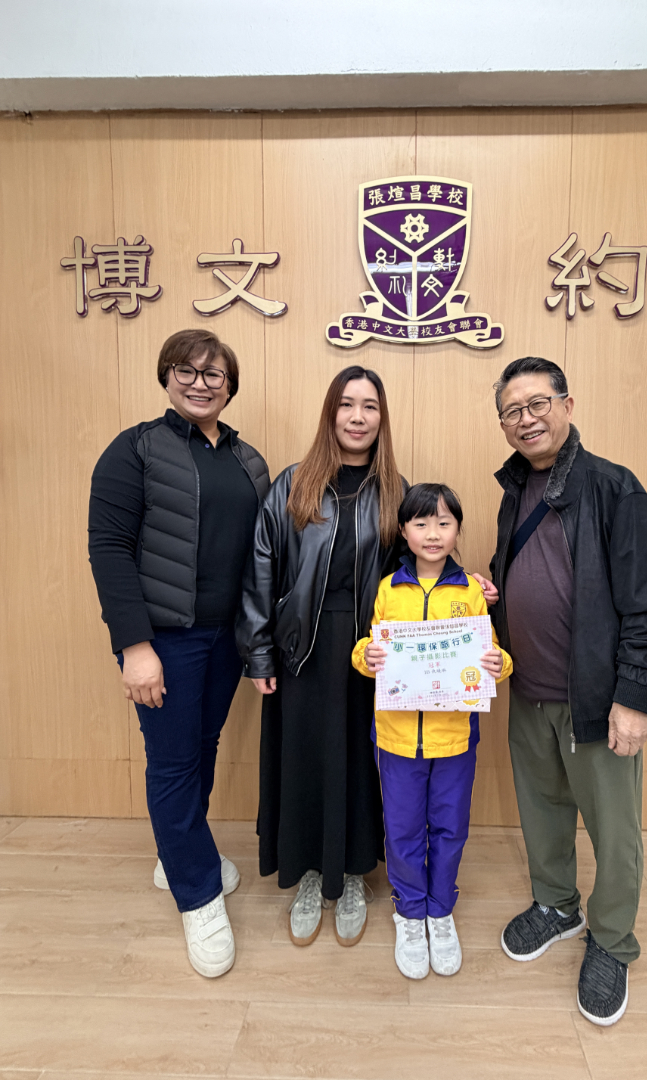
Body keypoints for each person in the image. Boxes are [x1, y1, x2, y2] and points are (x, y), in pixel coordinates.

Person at [487, 356, 647, 1026]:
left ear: (567, 405)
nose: (526, 419)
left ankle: (612, 938)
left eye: (537, 404)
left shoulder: (612, 487)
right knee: (542, 811)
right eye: (512, 411)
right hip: (528, 692)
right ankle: (556, 905)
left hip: (597, 698)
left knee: (614, 828)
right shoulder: (514, 490)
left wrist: (635, 696)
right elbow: (527, 574)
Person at [88, 329, 270, 979]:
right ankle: (197, 896)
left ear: (230, 385)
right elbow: (109, 549)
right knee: (172, 762)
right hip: (165, 639)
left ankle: (178, 854)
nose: (200, 383)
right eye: (186, 370)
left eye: (214, 374)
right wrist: (135, 646)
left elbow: (265, 553)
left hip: (227, 638)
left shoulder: (249, 461)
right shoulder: (135, 448)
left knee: (204, 746)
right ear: (166, 377)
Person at [237, 365, 405, 947]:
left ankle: (351, 874)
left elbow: (420, 563)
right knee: (303, 759)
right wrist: (259, 654)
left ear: (382, 418)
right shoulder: (293, 483)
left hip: (368, 654)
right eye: (347, 404)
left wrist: (466, 585)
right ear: (331, 412)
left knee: (359, 762)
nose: (358, 417)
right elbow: (261, 567)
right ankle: (310, 872)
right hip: (301, 646)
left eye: (370, 406)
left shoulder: (395, 491)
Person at [352, 483, 512, 979]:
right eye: (421, 523)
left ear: (458, 530)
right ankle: (409, 912)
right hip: (397, 739)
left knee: (449, 827)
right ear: (404, 531)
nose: (433, 533)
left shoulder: (471, 592)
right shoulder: (388, 589)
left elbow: (493, 654)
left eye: (444, 522)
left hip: (455, 739)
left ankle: (440, 912)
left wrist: (498, 662)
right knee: (402, 829)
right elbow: (367, 648)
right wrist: (366, 656)